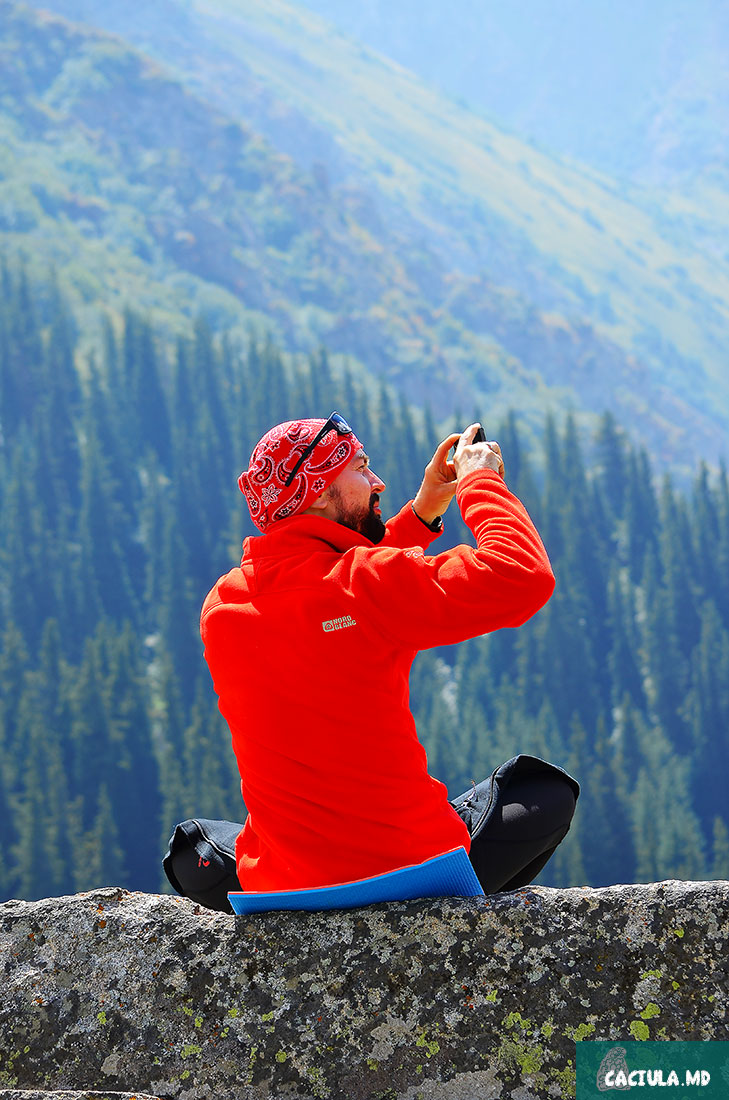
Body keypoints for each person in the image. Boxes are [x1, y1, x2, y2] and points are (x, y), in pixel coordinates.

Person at [168, 413, 578, 909]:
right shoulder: (367, 586)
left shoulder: (223, 608)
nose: (378, 480)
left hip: (286, 888)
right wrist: (479, 481)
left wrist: (425, 510)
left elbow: (337, 588)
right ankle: (464, 927)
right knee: (543, 792)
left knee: (196, 848)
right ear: (318, 492)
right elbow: (520, 575)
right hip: (414, 871)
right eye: (360, 468)